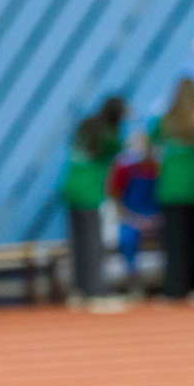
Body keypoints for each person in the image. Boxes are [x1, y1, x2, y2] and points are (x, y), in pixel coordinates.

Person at [59, 95, 127, 311]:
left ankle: (80, 291)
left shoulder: (87, 125)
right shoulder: (108, 134)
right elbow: (118, 149)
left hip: (72, 187)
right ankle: (96, 292)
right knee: (92, 244)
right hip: (89, 191)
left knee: (79, 244)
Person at [151, 79, 194, 300]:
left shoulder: (164, 121)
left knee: (174, 243)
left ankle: (175, 288)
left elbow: (149, 147)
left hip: (171, 188)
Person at [111, 129, 160, 292]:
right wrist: (132, 218)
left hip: (155, 217)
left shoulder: (157, 167)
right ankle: (133, 280)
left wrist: (156, 218)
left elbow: (162, 198)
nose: (140, 149)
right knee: (127, 239)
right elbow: (115, 197)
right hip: (131, 217)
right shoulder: (123, 168)